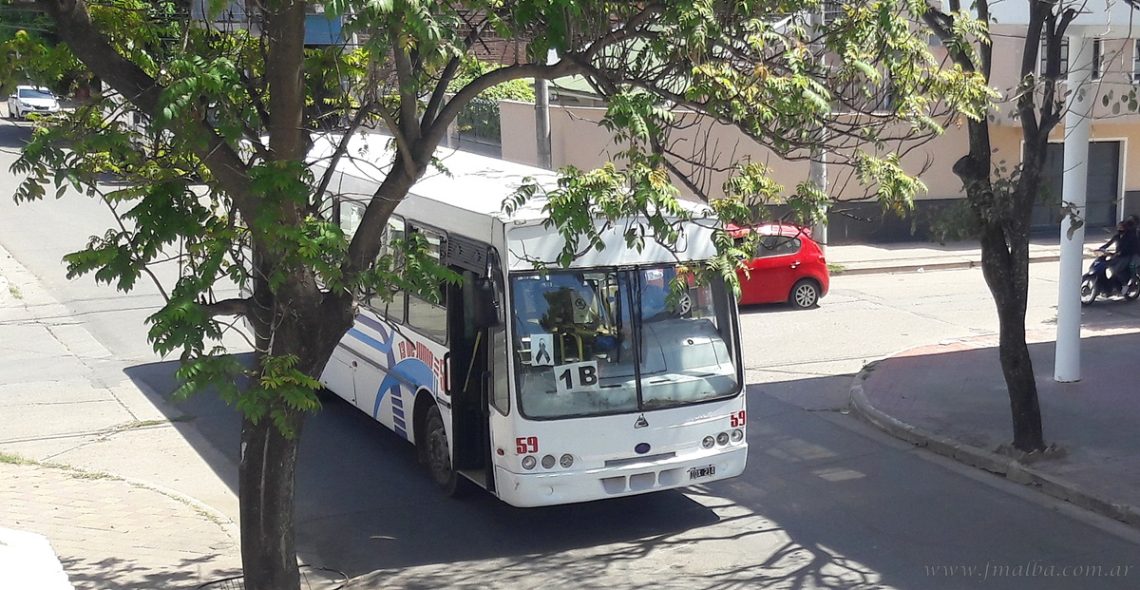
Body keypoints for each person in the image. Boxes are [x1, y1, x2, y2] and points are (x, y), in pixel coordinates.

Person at [1098, 216, 1139, 291]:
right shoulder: (1117, 236)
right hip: (1118, 256)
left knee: (1116, 269)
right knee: (1106, 265)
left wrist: (1119, 253)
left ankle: (1124, 285)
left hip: (1126, 256)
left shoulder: (1130, 236)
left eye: (1121, 228)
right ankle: (1110, 284)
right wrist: (1100, 249)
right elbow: (1108, 243)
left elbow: (1128, 248)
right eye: (1118, 227)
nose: (1119, 229)